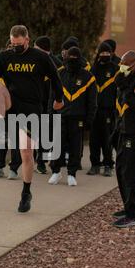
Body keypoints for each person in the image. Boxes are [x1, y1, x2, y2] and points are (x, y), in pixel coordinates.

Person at [0, 25, 64, 213]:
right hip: (12, 103)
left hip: (31, 109)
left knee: (27, 153)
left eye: (19, 44)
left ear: (27, 40)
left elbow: (55, 78)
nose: (16, 48)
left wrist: (59, 99)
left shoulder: (40, 57)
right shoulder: (5, 56)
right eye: (13, 44)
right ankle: (0, 125)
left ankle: (26, 193)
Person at [111, 51, 135, 228]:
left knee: (131, 172)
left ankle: (133, 214)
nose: (122, 67)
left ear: (134, 65)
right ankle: (128, 206)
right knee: (120, 168)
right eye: (121, 63)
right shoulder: (123, 80)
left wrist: (126, 88)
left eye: (125, 65)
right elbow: (120, 107)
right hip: (123, 130)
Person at [48, 47, 97, 186]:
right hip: (60, 116)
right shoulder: (59, 73)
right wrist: (50, 115)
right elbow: (52, 97)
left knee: (76, 147)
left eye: (75, 58)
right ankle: (56, 172)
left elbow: (92, 101)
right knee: (57, 145)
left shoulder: (88, 77)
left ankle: (72, 174)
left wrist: (89, 119)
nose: (72, 60)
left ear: (79, 58)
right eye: (70, 57)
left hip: (78, 118)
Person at [0, 39, 22, 180]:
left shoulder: (20, 71)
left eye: (14, 47)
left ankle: (14, 168)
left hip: (17, 110)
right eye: (9, 47)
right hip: (1, 112)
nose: (11, 50)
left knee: (15, 140)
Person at [87, 42, 119, 177]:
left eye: (107, 53)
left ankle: (108, 164)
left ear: (111, 54)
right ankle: (95, 165)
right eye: (102, 53)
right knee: (94, 139)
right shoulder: (93, 70)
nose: (105, 55)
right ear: (98, 54)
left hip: (108, 110)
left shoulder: (115, 70)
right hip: (95, 111)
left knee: (107, 139)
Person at [33, 35, 63, 175]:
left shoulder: (57, 64)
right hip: (36, 101)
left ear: (44, 50)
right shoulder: (33, 60)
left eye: (36, 47)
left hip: (51, 103)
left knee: (49, 134)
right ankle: (39, 160)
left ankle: (45, 161)